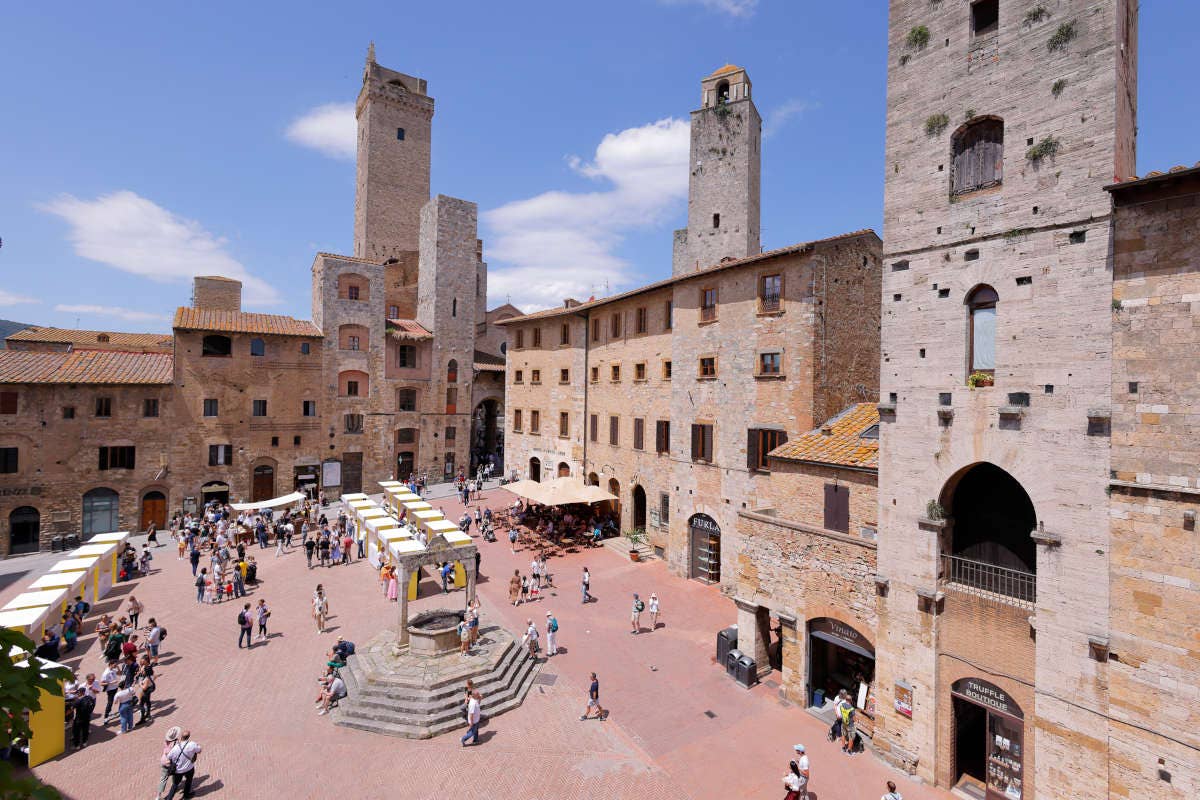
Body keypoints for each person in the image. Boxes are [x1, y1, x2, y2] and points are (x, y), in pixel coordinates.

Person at [163, 729, 202, 800]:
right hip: (189, 768)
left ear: (181, 737)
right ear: (189, 737)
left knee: (175, 785)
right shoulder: (192, 744)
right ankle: (186, 795)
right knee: (188, 781)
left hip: (178, 770)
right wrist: (198, 745)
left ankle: (169, 798)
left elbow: (168, 757)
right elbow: (199, 750)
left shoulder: (175, 748)